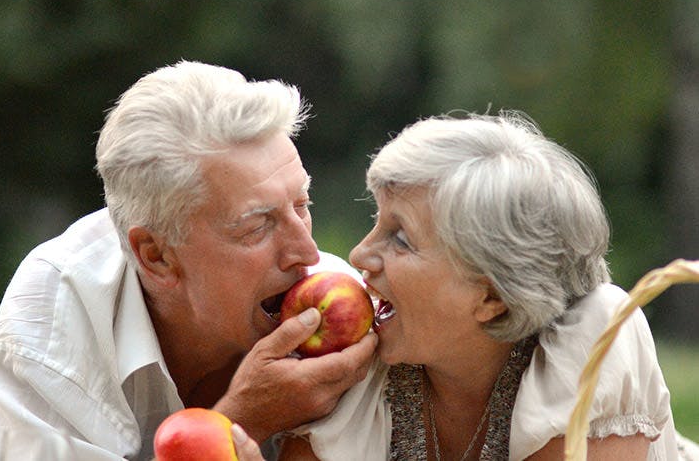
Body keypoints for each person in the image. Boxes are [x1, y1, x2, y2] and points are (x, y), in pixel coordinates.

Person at [0, 60, 377, 460]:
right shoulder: (52, 320)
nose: (306, 252)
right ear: (157, 256)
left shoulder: (342, 319)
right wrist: (242, 420)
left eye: (302, 205)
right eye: (257, 226)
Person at [280, 112, 699, 460]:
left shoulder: (594, 337)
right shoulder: (355, 365)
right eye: (377, 222)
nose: (359, 255)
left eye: (401, 239)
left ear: (492, 296)